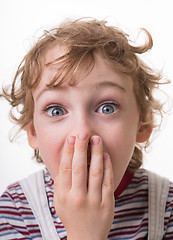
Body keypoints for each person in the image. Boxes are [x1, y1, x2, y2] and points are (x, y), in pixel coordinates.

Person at [0, 18, 172, 240]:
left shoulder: (166, 206)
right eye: (56, 111)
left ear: (143, 125)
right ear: (32, 131)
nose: (82, 133)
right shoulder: (16, 211)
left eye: (107, 108)